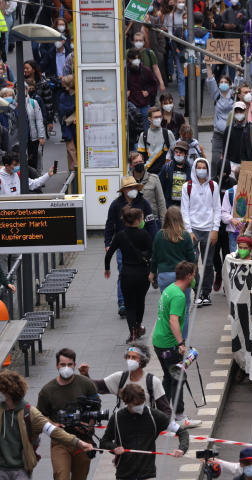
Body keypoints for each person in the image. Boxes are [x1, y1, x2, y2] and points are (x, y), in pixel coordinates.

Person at [0, 369, 94, 477]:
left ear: (10, 392)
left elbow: (54, 431)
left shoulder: (29, 413)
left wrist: (79, 443)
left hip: (21, 469)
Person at [100, 383, 189, 479]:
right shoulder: (117, 418)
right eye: (136, 405)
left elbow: (182, 432)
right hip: (124, 474)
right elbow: (104, 442)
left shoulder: (154, 415)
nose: (140, 407)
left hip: (147, 474)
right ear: (127, 402)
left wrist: (182, 448)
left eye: (141, 403)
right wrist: (114, 448)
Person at [36, 348, 99, 480]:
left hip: (83, 439)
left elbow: (96, 409)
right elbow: (39, 416)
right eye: (63, 365)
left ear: (74, 365)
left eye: (70, 364)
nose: (66, 368)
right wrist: (53, 424)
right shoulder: (47, 391)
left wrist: (89, 425)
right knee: (61, 475)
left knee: (80, 477)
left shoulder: (86, 384)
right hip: (60, 441)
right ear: (57, 366)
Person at [150, 260, 195, 424]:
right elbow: (173, 321)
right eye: (194, 275)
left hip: (158, 341)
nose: (195, 278)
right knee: (177, 378)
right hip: (169, 344)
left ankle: (160, 412)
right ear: (189, 276)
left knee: (168, 378)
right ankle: (179, 416)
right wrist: (181, 343)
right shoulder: (179, 296)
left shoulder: (169, 289)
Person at [78, 342, 171, 418]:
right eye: (128, 357)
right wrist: (85, 375)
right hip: (123, 427)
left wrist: (156, 428)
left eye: (134, 357)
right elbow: (97, 387)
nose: (130, 360)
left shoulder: (153, 382)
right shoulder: (120, 378)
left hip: (145, 430)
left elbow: (165, 410)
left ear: (142, 360)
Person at [104, 207, 154, 343]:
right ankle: (138, 326)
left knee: (129, 305)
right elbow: (152, 253)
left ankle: (132, 332)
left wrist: (107, 268)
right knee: (140, 301)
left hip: (126, 274)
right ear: (138, 220)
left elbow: (109, 253)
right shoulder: (144, 235)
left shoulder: (120, 235)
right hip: (142, 275)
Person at [180, 158, 219, 307]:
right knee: (193, 263)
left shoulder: (213, 186)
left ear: (208, 170)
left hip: (209, 230)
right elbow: (185, 210)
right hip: (193, 230)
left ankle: (206, 293)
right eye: (199, 167)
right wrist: (189, 231)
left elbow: (217, 209)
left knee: (208, 263)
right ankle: (197, 291)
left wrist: (215, 229)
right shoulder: (187, 187)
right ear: (194, 169)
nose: (201, 170)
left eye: (204, 167)